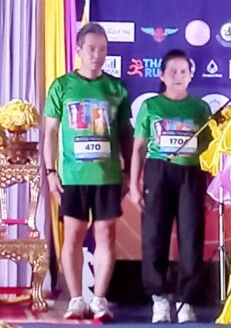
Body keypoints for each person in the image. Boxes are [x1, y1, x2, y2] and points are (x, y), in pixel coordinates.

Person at [43, 22, 132, 321]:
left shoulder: (116, 88)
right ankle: (76, 299)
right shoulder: (62, 86)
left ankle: (99, 300)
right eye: (91, 49)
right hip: (73, 177)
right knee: (73, 235)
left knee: (106, 234)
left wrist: (128, 173)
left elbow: (126, 134)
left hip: (107, 176)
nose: (97, 55)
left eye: (103, 49)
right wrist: (50, 171)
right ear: (79, 50)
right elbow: (50, 132)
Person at [129, 49, 212, 324]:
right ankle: (159, 299)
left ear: (191, 76)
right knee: (155, 236)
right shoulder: (151, 106)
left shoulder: (200, 108)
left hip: (191, 175)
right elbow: (139, 147)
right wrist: (134, 185)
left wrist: (212, 188)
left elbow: (210, 152)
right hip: (158, 172)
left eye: (183, 71)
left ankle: (186, 300)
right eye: (173, 71)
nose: (178, 76)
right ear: (162, 75)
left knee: (191, 238)